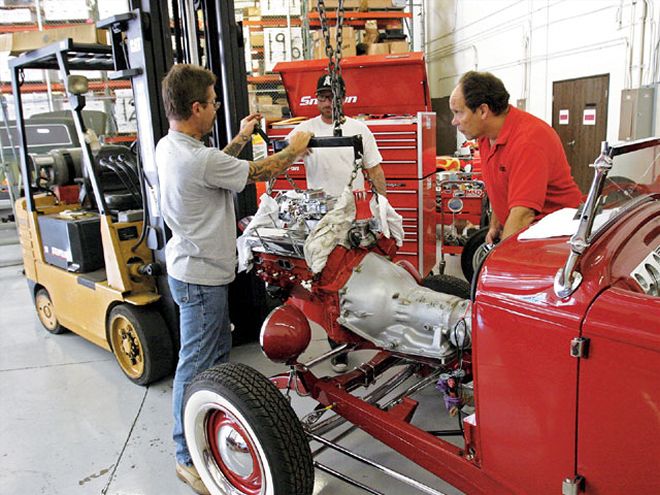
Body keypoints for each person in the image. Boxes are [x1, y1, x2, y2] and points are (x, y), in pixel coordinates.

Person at [156, 63, 312, 495]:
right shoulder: (197, 158)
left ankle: (209, 428)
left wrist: (242, 137)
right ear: (196, 107)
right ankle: (188, 457)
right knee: (198, 365)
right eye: (213, 101)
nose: (217, 107)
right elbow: (258, 172)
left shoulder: (172, 147)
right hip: (202, 278)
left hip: (190, 269)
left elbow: (215, 166)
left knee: (213, 361)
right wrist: (295, 147)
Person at [287, 73, 387, 372]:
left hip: (355, 213)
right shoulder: (305, 130)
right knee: (329, 285)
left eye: (332, 96)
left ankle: (364, 333)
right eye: (322, 96)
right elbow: (285, 158)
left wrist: (384, 206)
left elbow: (375, 169)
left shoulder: (359, 130)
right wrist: (291, 150)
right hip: (321, 218)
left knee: (358, 278)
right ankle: (338, 346)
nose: (327, 102)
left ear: (344, 97)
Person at [449, 71, 582, 244]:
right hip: (530, 229)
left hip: (555, 237)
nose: (454, 121)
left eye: (458, 112)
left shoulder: (528, 141)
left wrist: (499, 260)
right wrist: (495, 224)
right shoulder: (485, 136)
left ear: (483, 110)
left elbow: (523, 215)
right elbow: (501, 184)